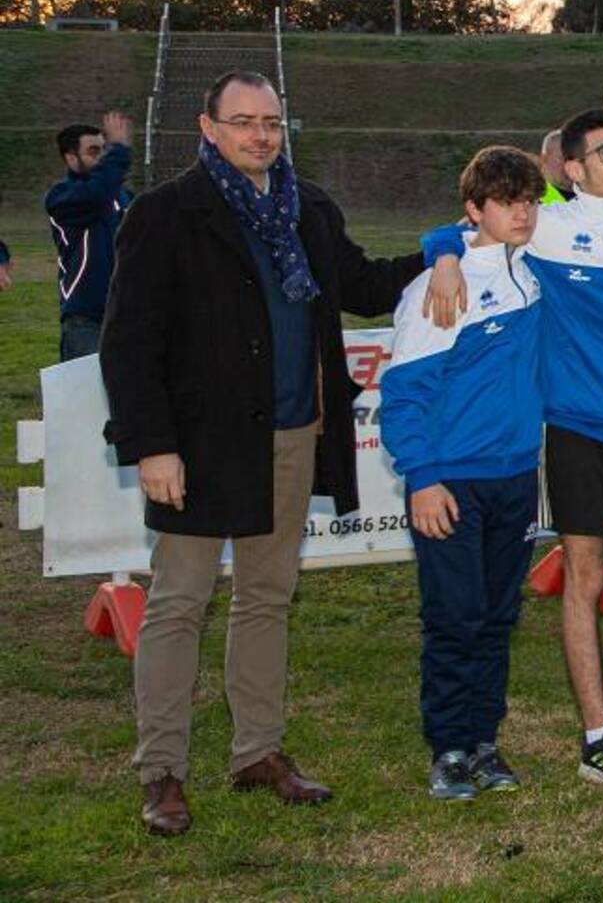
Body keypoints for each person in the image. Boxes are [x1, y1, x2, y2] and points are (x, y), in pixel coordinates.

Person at [100, 70, 425, 836]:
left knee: (267, 597)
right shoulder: (165, 213)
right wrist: (153, 446)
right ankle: (162, 772)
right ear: (206, 127)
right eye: (243, 121)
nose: (261, 136)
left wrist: (450, 248)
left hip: (290, 434)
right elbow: (130, 345)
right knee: (178, 605)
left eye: (272, 122)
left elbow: (366, 286)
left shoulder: (307, 208)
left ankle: (258, 753)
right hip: (198, 446)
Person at [423, 107, 603, 789]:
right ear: (570, 169)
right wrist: (444, 258)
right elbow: (457, 228)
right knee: (585, 575)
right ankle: (595, 729)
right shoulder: (547, 225)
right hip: (573, 430)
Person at [383, 147, 546, 800]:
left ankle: (483, 742)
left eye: (530, 200)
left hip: (515, 475)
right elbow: (404, 396)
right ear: (474, 208)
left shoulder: (535, 270)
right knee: (454, 616)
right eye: (508, 201)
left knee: (497, 615)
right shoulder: (437, 285)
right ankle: (448, 749)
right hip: (450, 480)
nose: (525, 212)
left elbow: (575, 189)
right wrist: (422, 476)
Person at [45, 112, 135, 361]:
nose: (104, 157)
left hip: (126, 317)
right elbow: (97, 194)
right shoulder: (63, 197)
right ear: (71, 158)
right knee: (87, 399)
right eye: (94, 152)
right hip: (86, 321)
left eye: (105, 150)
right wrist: (119, 150)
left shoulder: (123, 197)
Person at [537, 128, 573, 204]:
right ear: (544, 159)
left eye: (576, 158)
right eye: (563, 158)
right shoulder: (531, 201)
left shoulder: (590, 198)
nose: (571, 164)